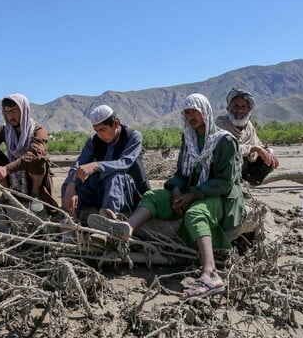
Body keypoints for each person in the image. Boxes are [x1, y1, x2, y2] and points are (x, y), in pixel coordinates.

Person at [88, 93, 245, 299]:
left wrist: (193, 196)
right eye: (187, 112)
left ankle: (211, 273)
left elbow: (224, 182)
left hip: (217, 196)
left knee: (195, 214)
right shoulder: (188, 139)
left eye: (194, 111)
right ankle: (127, 228)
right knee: (153, 196)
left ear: (205, 111)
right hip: (189, 191)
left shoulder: (224, 141)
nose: (191, 117)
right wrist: (177, 191)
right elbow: (181, 174)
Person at [61, 105, 150, 220]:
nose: (100, 135)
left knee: (115, 178)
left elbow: (125, 162)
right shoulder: (94, 140)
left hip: (128, 191)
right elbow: (80, 163)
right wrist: (71, 184)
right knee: (69, 185)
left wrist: (96, 165)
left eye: (103, 130)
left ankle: (107, 223)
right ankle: (69, 223)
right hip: (101, 189)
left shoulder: (133, 137)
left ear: (116, 124)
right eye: (96, 131)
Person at [0, 93, 58, 212]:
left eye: (14, 111)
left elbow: (35, 154)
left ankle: (35, 195)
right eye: (7, 112)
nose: (10, 116)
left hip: (32, 178)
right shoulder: (5, 130)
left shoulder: (38, 130)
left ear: (23, 110)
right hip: (12, 177)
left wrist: (7, 169)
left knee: (39, 158)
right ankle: (7, 194)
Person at [216, 88, 279, 185]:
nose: (240, 110)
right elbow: (225, 149)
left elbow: (258, 145)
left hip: (247, 167)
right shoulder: (221, 124)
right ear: (228, 108)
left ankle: (251, 182)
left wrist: (268, 150)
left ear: (248, 110)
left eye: (243, 106)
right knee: (235, 158)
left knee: (268, 157)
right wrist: (252, 148)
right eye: (236, 106)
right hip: (225, 169)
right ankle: (233, 185)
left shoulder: (249, 125)